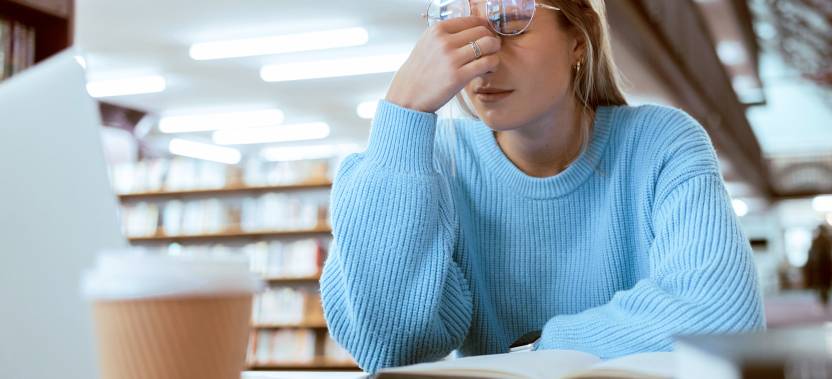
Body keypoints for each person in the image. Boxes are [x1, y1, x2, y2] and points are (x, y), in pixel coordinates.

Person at [319, 0, 765, 372]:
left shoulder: (660, 143)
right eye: (454, 23)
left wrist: (536, 352)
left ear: (578, 37)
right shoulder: (432, 162)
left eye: (511, 22)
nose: (481, 54)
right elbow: (387, 346)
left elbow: (722, 319)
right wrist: (403, 111)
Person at [804, 224, 832, 311]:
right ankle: (823, 301)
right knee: (823, 285)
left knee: (824, 285)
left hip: (823, 267)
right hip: (821, 267)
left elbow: (830, 255)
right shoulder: (819, 241)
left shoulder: (824, 241)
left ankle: (824, 301)